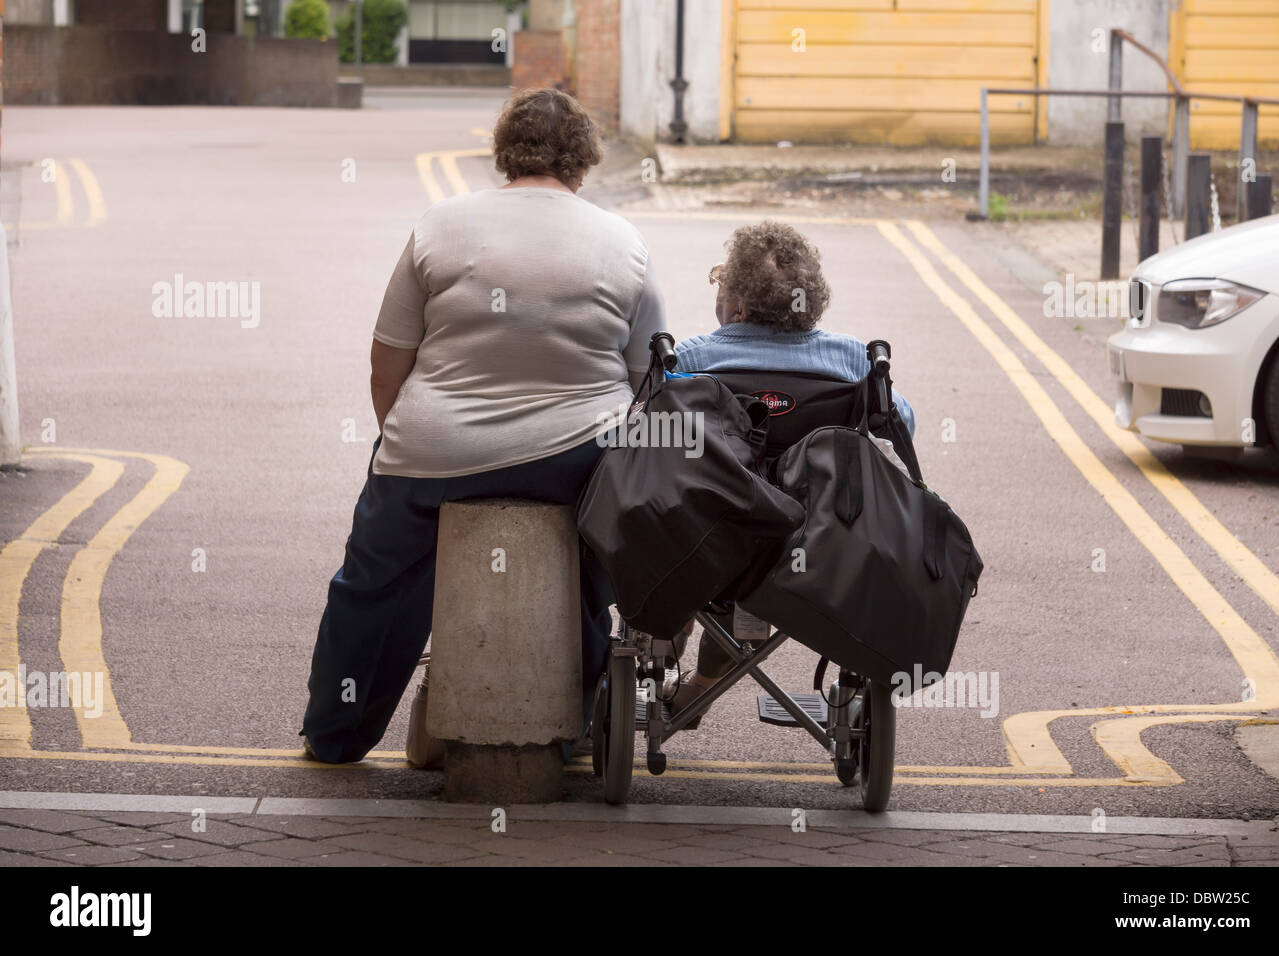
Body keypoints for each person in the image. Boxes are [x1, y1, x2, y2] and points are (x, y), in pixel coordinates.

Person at [300, 88, 667, 765]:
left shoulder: (439, 226)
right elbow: (649, 381)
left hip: (437, 448)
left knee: (374, 586)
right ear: (583, 161)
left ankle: (336, 734)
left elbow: (387, 363)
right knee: (590, 577)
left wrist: (405, 444)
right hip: (579, 459)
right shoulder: (625, 244)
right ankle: (575, 725)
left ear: (503, 153)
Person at [665, 220, 915, 723]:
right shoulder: (850, 359)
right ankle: (705, 682)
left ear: (736, 306)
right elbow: (901, 424)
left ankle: (679, 658)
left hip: (710, 541)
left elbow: (645, 432)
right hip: (822, 545)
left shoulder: (690, 360)